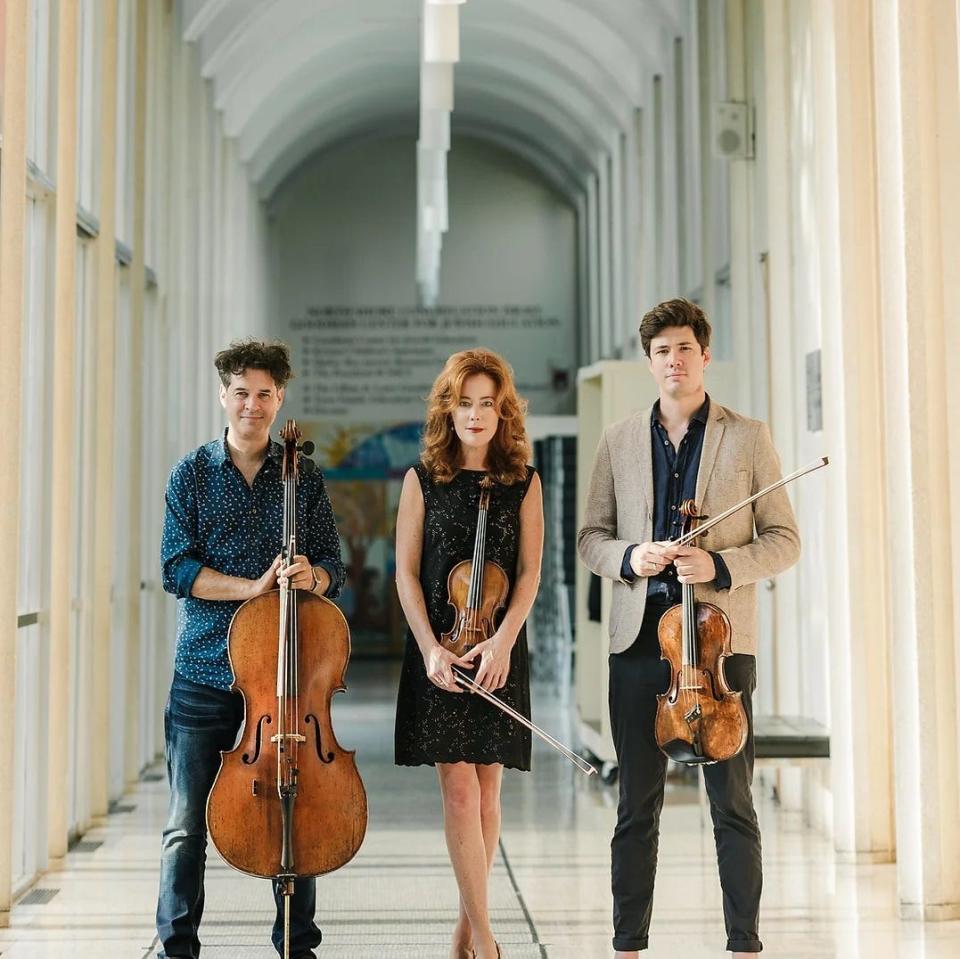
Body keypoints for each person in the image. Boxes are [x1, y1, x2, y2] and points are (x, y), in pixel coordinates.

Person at [577, 298, 801, 957]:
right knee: (635, 807)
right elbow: (591, 536)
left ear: (705, 354)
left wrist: (721, 562)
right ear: (648, 362)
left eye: (684, 347)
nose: (674, 360)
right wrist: (629, 556)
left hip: (721, 648)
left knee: (732, 803)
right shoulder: (618, 439)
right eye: (661, 351)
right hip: (640, 644)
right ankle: (628, 944)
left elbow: (785, 539)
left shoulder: (748, 436)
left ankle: (744, 943)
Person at [156, 339, 345, 959]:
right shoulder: (191, 474)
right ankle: (175, 944)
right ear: (223, 395)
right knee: (186, 826)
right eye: (242, 392)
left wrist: (309, 576)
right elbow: (177, 569)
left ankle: (297, 943)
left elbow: (334, 568)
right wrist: (254, 590)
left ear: (280, 399)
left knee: (298, 807)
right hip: (205, 670)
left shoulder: (304, 475)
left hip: (285, 679)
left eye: (265, 394)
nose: (253, 405)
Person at [394, 349, 544, 959]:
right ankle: (484, 934)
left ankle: (464, 925)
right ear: (448, 410)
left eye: (488, 403)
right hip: (441, 653)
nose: (477, 414)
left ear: (502, 411)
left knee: (488, 791)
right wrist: (431, 648)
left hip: (498, 650)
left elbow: (530, 573)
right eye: (465, 402)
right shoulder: (421, 479)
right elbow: (405, 575)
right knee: (458, 791)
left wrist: (504, 640)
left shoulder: (524, 481)